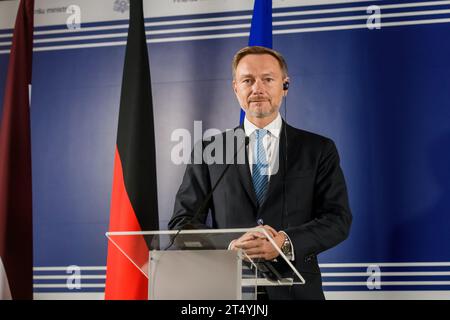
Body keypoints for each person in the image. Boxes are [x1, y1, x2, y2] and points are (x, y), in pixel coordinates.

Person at [168, 46, 352, 300]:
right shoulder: (210, 150)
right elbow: (181, 225)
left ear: (284, 86)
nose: (257, 88)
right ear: (235, 88)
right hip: (229, 292)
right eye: (248, 80)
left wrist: (284, 242)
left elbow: (337, 220)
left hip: (297, 293)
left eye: (267, 79)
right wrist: (231, 245)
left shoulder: (318, 149)